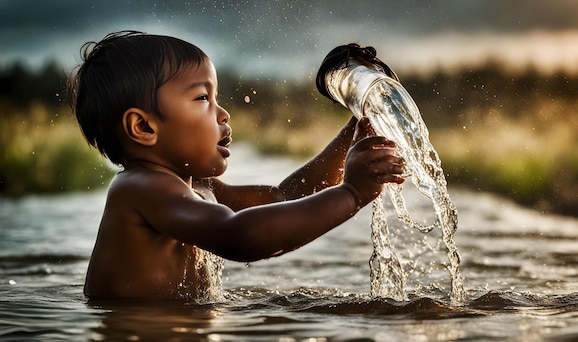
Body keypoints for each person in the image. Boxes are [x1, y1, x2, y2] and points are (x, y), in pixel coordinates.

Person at [67, 30, 406, 300]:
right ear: (143, 127)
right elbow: (240, 236)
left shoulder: (199, 186)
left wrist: (357, 125)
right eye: (202, 98)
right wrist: (352, 194)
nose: (223, 113)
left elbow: (283, 196)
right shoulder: (141, 189)